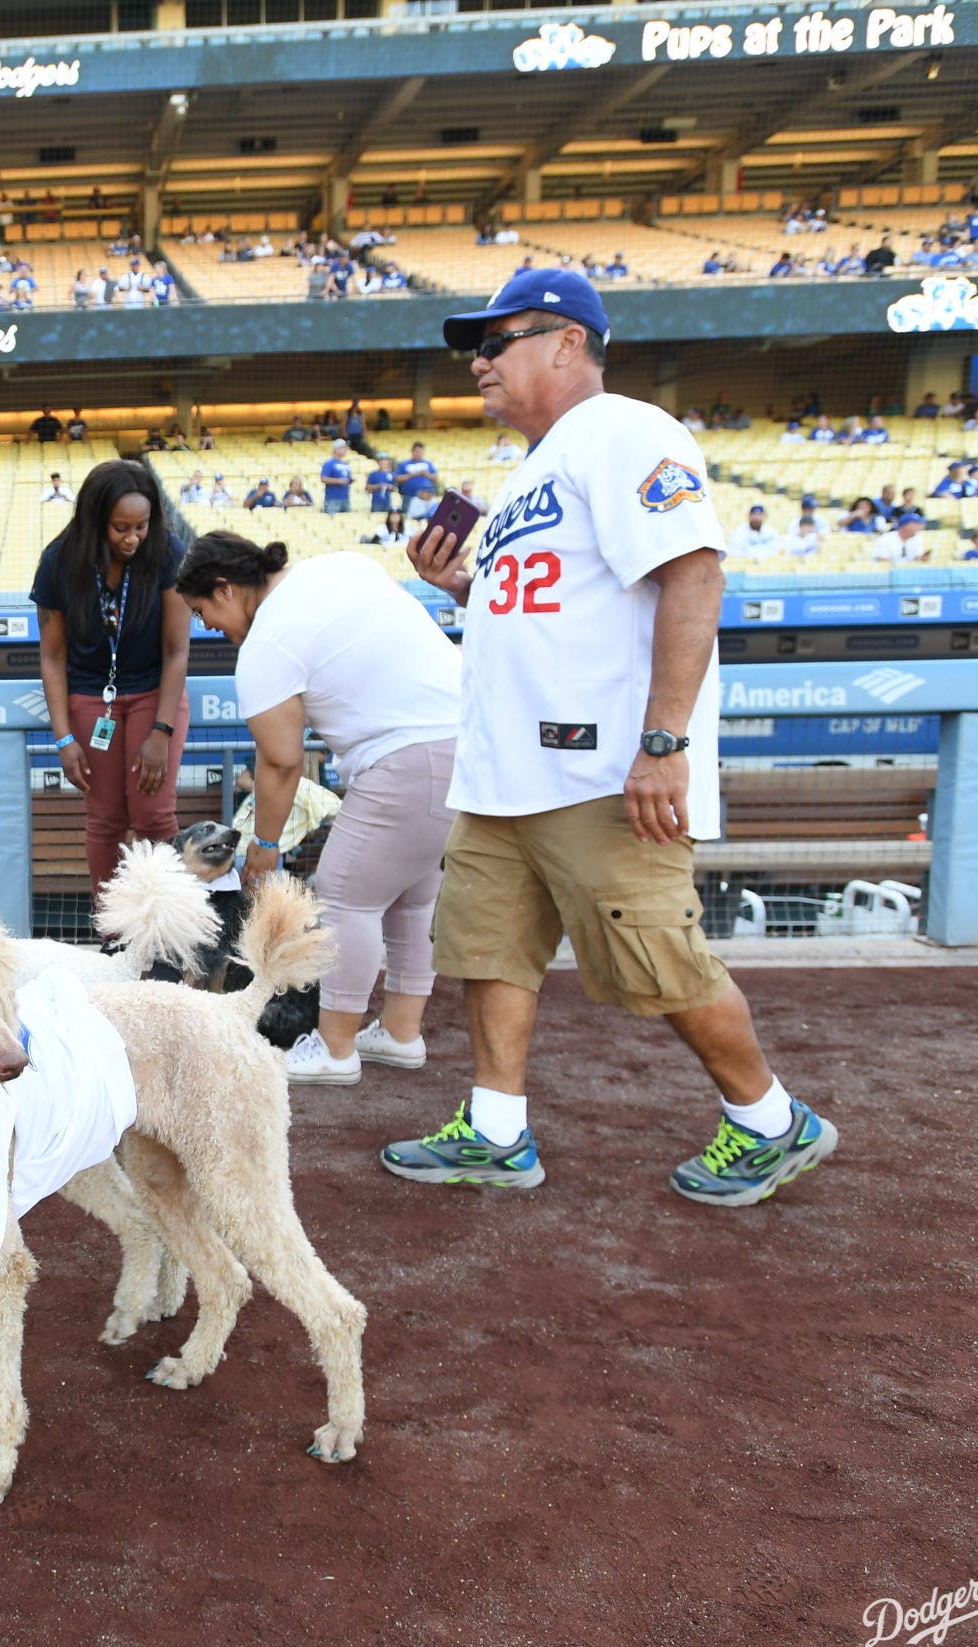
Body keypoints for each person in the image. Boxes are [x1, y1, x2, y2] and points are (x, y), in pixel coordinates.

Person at [399, 269, 837, 1207]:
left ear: (566, 341)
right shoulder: (533, 469)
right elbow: (558, 613)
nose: (478, 360)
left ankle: (770, 1118)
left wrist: (663, 742)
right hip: (507, 771)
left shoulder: (628, 429)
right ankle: (495, 1128)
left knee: (656, 956)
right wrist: (459, 589)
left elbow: (695, 577)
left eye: (496, 339)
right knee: (488, 948)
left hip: (599, 764)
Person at [177, 533, 462, 1087]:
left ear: (226, 588)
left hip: (405, 756)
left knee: (343, 894)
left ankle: (335, 1048)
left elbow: (281, 763)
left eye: (202, 610)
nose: (206, 625)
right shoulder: (343, 565)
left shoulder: (266, 645)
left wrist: (263, 847)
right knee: (413, 894)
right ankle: (401, 1032)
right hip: (467, 747)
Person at [31, 458, 190, 894]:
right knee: (105, 821)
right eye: (121, 527)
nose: (133, 538)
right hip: (89, 696)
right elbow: (52, 657)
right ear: (96, 519)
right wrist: (63, 739)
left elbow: (177, 650)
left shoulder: (168, 552)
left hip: (154, 694)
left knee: (154, 817)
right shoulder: (59, 560)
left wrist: (161, 730)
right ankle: (113, 933)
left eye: (142, 526)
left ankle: (165, 929)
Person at [319, 442, 353, 513]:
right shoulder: (329, 463)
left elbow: (346, 479)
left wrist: (350, 480)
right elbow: (323, 478)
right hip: (333, 499)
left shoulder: (346, 464)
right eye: (343, 447)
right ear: (336, 449)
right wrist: (338, 481)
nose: (345, 449)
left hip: (345, 498)